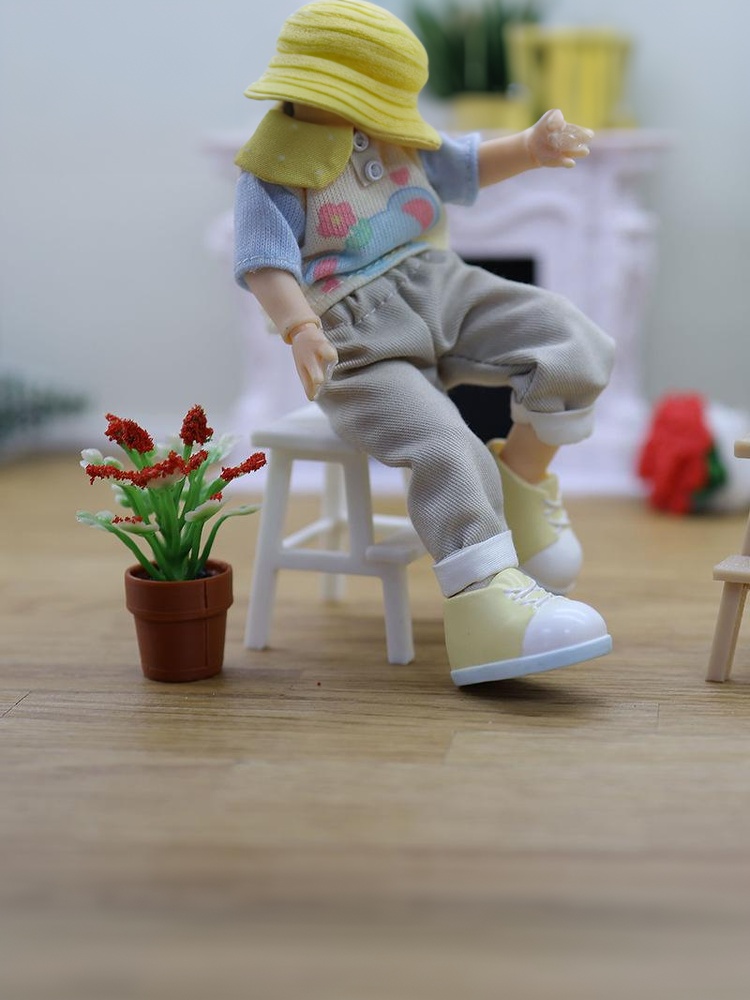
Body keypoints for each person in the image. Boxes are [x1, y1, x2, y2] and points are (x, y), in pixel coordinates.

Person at [233, 0, 616, 686]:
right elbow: (264, 261)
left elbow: (461, 163)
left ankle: (521, 485)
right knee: (445, 442)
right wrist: (300, 327)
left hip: (434, 281)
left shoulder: (388, 129)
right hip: (349, 330)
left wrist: (530, 148)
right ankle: (484, 599)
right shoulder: (274, 165)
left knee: (568, 337)